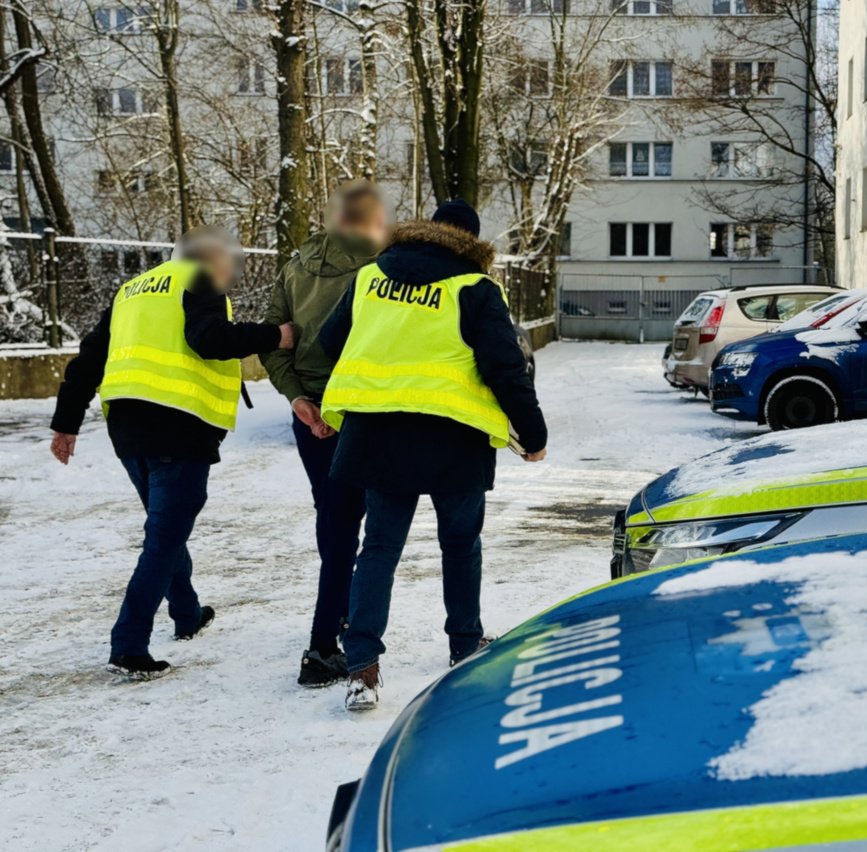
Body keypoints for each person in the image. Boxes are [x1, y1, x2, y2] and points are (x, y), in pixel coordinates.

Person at [319, 199, 547, 712]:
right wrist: (532, 434)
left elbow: (331, 342)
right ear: (471, 241)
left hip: (378, 434)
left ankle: (362, 668)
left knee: (378, 548)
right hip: (455, 438)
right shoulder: (476, 288)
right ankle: (465, 645)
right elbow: (505, 368)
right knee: (461, 544)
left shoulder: (370, 277)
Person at [49, 226, 295, 679]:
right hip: (178, 427)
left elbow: (88, 361)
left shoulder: (131, 291)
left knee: (166, 528)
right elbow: (209, 338)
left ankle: (187, 612)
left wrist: (66, 423)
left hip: (128, 427)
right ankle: (128, 644)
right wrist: (273, 336)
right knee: (163, 538)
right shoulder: (198, 280)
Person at [261, 180, 389, 687]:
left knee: (332, 514)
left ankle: (335, 612)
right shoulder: (382, 267)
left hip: (308, 413)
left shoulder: (295, 263)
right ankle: (323, 646)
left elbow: (276, 339)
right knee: (359, 526)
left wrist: (299, 400)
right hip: (357, 410)